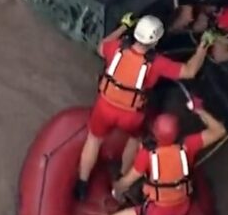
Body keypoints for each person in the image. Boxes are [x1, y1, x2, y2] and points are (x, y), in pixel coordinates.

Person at [74, 14, 212, 201]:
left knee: (94, 140)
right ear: (155, 40)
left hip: (105, 106)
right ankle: (122, 176)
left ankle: (82, 185)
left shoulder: (116, 48)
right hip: (131, 115)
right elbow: (189, 71)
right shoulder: (156, 63)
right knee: (135, 138)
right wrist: (203, 46)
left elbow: (101, 46)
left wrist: (123, 26)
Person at [88, 107, 227, 215]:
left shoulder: (147, 155)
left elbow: (127, 182)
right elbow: (219, 131)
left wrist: (116, 187)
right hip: (182, 207)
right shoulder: (188, 145)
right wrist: (200, 110)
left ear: (155, 133)